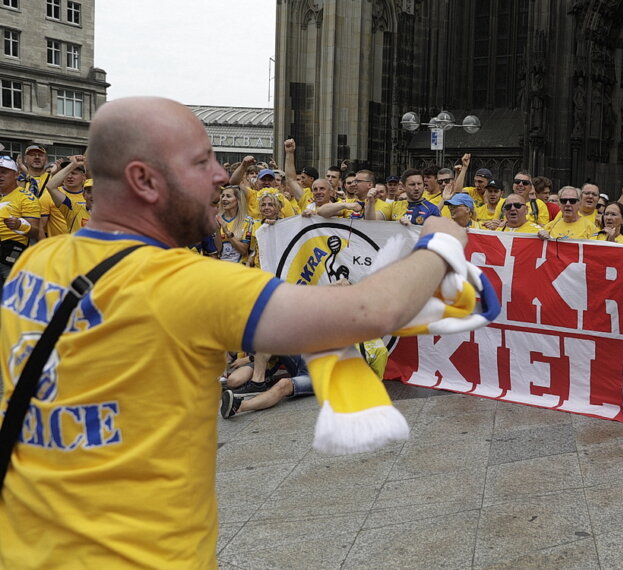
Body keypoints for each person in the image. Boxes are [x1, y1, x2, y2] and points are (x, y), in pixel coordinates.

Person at [0, 96, 469, 567]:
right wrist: (443, 241)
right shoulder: (183, 283)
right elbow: (371, 311)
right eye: (202, 162)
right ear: (144, 180)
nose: (223, 176)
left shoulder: (36, 262)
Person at [213, 186, 254, 264]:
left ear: (238, 200)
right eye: (222, 196)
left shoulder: (247, 221)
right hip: (222, 268)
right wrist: (217, 230)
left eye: (228, 196)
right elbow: (217, 250)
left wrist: (227, 232)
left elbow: (243, 251)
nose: (224, 199)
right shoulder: (216, 219)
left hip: (240, 269)